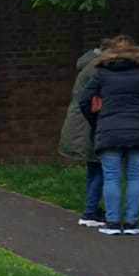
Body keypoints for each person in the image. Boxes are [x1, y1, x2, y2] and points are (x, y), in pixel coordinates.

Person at [79, 36, 139, 236]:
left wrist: (97, 121)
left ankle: (111, 223)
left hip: (108, 129)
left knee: (111, 177)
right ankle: (131, 223)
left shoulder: (102, 74)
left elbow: (84, 100)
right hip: (138, 130)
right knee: (135, 177)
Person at [59, 42, 105, 226]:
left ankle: (91, 208)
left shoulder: (88, 65)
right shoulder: (97, 68)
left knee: (95, 167)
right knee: (101, 166)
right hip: (89, 125)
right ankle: (90, 212)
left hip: (82, 124)